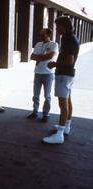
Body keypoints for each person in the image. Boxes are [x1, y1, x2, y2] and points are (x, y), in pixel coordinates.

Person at [42, 16, 79, 144]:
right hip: (68, 74)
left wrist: (54, 64)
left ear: (64, 26)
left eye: (58, 27)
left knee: (63, 104)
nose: (57, 29)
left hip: (64, 75)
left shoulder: (68, 39)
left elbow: (70, 60)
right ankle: (66, 127)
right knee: (68, 101)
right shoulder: (72, 37)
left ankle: (59, 135)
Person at [28, 28, 58, 122]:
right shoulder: (38, 44)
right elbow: (32, 57)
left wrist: (39, 58)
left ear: (48, 35)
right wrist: (42, 57)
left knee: (47, 95)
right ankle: (35, 111)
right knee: (36, 94)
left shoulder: (54, 44)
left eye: (43, 35)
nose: (40, 36)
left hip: (48, 73)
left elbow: (50, 56)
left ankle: (46, 114)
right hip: (37, 72)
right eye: (40, 35)